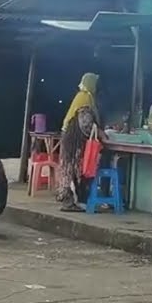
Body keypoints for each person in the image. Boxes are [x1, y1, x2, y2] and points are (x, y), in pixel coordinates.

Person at [57, 73, 103, 212]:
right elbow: (85, 123)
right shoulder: (85, 98)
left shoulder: (83, 96)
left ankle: (70, 200)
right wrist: (99, 132)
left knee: (68, 169)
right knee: (71, 169)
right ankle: (68, 202)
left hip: (69, 137)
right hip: (73, 139)